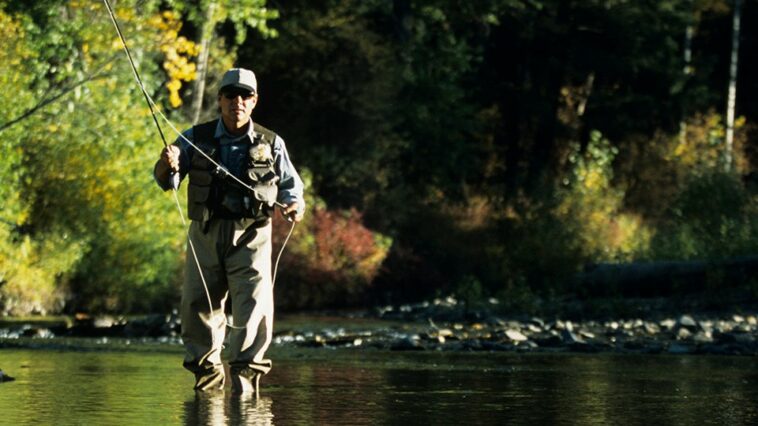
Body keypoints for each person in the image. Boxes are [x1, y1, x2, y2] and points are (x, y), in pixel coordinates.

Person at [154, 67, 305, 395]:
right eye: (231, 95)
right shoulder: (195, 137)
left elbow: (292, 188)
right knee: (198, 306)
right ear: (220, 99)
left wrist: (294, 206)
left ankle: (244, 389)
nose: (238, 101)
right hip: (206, 234)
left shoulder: (271, 142)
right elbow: (167, 181)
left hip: (253, 236)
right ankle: (207, 387)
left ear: (254, 101)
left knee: (253, 309)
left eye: (245, 95)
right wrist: (168, 164)